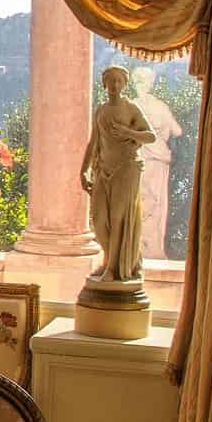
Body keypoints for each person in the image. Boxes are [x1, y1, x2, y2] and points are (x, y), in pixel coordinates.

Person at [79, 65, 156, 285]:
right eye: (111, 80)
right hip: (103, 169)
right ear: (104, 84)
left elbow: (151, 136)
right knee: (99, 219)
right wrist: (83, 170)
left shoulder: (130, 108)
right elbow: (93, 142)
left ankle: (112, 267)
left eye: (118, 81)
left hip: (126, 168)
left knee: (118, 219)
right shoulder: (101, 110)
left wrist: (128, 132)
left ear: (124, 84)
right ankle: (112, 259)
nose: (114, 85)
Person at [129, 67, 183, 259]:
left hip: (139, 159)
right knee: (155, 204)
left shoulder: (132, 106)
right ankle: (152, 251)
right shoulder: (160, 107)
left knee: (140, 203)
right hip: (156, 159)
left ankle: (140, 250)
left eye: (141, 80)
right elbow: (177, 131)